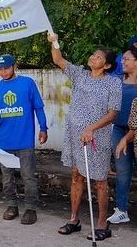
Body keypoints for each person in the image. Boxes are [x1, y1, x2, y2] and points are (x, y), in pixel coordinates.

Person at [47, 33, 121, 241]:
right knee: (76, 175)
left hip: (97, 136)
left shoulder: (113, 84)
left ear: (106, 65)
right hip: (75, 134)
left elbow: (113, 113)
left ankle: (101, 224)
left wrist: (91, 128)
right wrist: (55, 41)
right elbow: (58, 59)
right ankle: (73, 220)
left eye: (98, 57)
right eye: (93, 55)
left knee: (99, 181)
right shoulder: (80, 74)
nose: (93, 57)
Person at [0, 54, 48, 225]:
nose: (3, 71)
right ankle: (11, 205)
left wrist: (43, 128)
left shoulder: (27, 83)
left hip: (25, 140)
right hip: (4, 141)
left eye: (6, 67)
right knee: (7, 177)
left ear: (14, 66)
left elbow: (38, 107)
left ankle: (30, 208)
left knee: (28, 176)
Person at [109, 43, 137, 224]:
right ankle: (122, 210)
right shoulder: (116, 80)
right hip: (119, 129)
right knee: (122, 171)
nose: (123, 61)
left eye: (126, 59)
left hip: (136, 131)